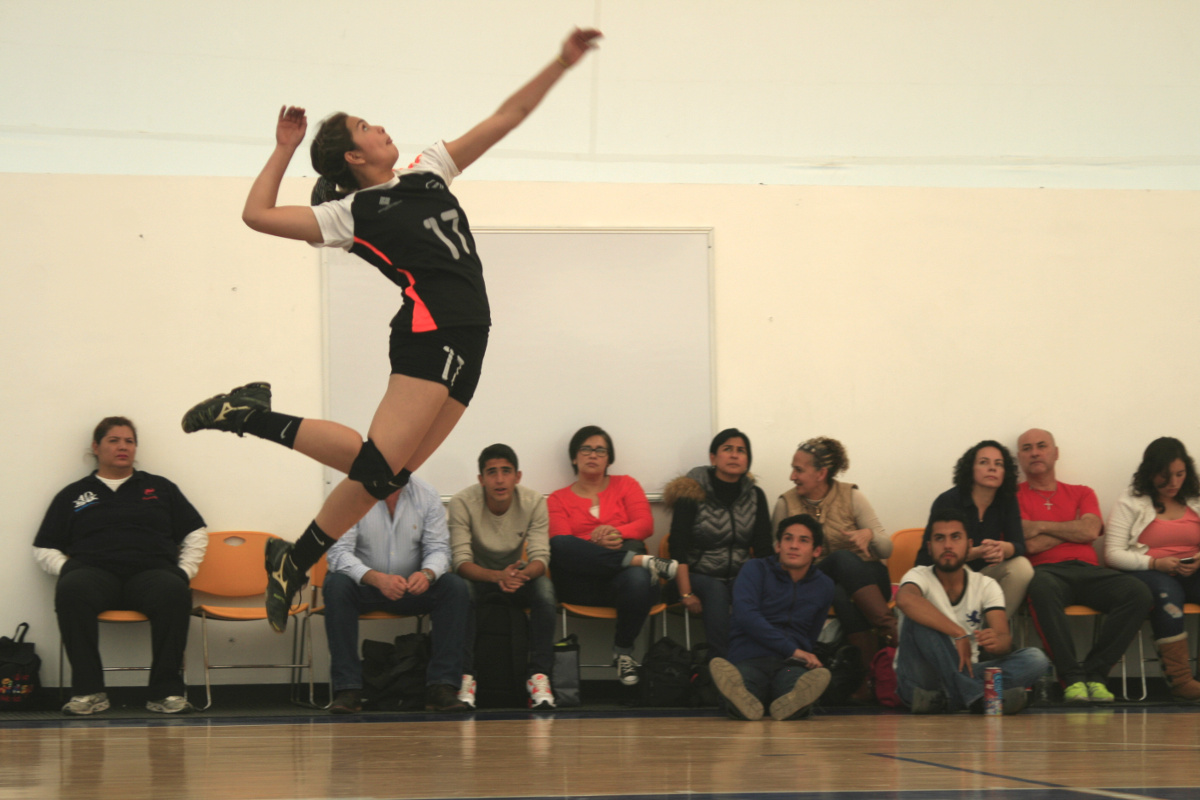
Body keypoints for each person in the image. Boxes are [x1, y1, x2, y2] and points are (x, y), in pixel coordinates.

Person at [178, 28, 603, 633]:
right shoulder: (348, 214)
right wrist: (283, 148)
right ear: (354, 157)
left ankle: (288, 548)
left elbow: (509, 116)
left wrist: (560, 63)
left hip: (471, 338)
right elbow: (256, 215)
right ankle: (251, 426)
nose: (380, 129)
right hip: (431, 334)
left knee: (385, 476)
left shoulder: (429, 168)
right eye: (367, 127)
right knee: (378, 466)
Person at [33, 417, 206, 716]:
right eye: (114, 440)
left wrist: (183, 571)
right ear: (96, 447)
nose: (123, 447)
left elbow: (196, 532)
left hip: (151, 575)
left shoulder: (160, 488)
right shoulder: (73, 494)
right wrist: (67, 569)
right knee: (71, 589)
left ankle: (166, 693)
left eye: (129, 441)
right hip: (94, 575)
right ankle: (89, 692)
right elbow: (44, 545)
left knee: (175, 590)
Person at [1017, 428, 1153, 703]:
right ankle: (1072, 678)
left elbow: (1090, 532)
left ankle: (1096, 674)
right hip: (1047, 572)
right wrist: (1071, 529)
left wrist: (1041, 527)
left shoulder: (1081, 492)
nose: (1035, 452)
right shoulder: (1012, 497)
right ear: (1019, 458)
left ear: (1055, 453)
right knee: (1040, 587)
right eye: (1027, 448)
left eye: (1042, 446)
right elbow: (1026, 545)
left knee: (1138, 593)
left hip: (1089, 570)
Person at [323, 474, 471, 713]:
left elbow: (439, 549)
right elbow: (338, 554)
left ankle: (441, 686)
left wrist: (427, 574)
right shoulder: (351, 494)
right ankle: (348, 689)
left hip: (411, 586)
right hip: (365, 586)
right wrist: (376, 578)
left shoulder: (427, 494)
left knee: (454, 587)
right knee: (336, 585)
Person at [547, 425, 678, 686]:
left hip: (625, 586)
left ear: (608, 458)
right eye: (586, 449)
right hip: (580, 585)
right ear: (575, 457)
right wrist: (596, 540)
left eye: (600, 450)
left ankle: (623, 653)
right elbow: (561, 541)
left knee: (639, 579)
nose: (593, 455)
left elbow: (645, 525)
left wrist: (612, 531)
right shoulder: (557, 499)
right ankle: (638, 560)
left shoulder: (626, 485)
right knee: (560, 545)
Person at [770, 437, 893, 701]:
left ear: (821, 473)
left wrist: (868, 534)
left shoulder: (851, 495)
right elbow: (777, 556)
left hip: (868, 580)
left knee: (841, 584)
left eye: (799, 470)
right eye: (793, 468)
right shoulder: (785, 504)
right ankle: (891, 631)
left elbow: (887, 549)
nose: (792, 476)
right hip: (812, 581)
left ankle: (864, 680)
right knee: (840, 566)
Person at [894, 508, 1048, 715]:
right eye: (940, 538)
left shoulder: (985, 585)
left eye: (955, 537)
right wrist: (959, 633)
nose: (948, 545)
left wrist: (996, 642)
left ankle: (949, 700)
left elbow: (1003, 639)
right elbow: (905, 599)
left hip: (966, 671)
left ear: (968, 546)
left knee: (1035, 659)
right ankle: (977, 697)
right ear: (929, 548)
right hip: (921, 677)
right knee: (917, 618)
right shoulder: (918, 575)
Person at [449, 443, 556, 709]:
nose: (499, 479)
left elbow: (541, 558)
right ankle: (466, 678)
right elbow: (461, 561)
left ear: (517, 477)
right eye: (492, 472)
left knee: (544, 591)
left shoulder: (533, 502)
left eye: (506, 471)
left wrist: (519, 576)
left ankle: (538, 677)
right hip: (478, 578)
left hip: (516, 578)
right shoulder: (462, 502)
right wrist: (498, 576)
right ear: (481, 479)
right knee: (460, 590)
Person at [708, 514, 834, 721]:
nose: (793, 545)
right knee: (745, 685)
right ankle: (742, 700)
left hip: (790, 663)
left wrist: (801, 654)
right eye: (788, 538)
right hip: (751, 656)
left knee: (794, 684)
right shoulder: (755, 569)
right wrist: (794, 649)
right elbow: (746, 616)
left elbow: (812, 631)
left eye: (803, 541)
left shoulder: (824, 585)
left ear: (817, 551)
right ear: (778, 546)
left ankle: (792, 704)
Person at [662, 428, 772, 659]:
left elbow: (763, 549)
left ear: (747, 460)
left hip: (738, 576)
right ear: (713, 457)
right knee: (716, 590)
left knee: (753, 594)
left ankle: (758, 664)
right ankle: (721, 665)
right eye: (727, 449)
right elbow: (678, 546)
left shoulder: (755, 496)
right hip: (694, 576)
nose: (734, 455)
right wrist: (685, 593)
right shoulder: (691, 492)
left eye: (741, 451)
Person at [1106, 437, 1200, 701]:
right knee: (1168, 597)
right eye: (1165, 476)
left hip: (1191, 569)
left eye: (1180, 474)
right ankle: (1181, 681)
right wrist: (1154, 563)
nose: (1173, 483)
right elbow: (1112, 554)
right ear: (1150, 473)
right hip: (1148, 571)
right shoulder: (1131, 501)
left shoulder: (1195, 497)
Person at [918, 440, 1033, 619]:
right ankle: (964, 633)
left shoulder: (1007, 500)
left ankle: (991, 632)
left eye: (999, 464)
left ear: (1005, 473)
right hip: (947, 571)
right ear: (970, 469)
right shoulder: (949, 501)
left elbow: (1019, 545)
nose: (992, 468)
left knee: (1022, 568)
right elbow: (931, 554)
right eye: (984, 462)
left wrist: (1002, 549)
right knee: (964, 572)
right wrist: (977, 552)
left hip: (985, 575)